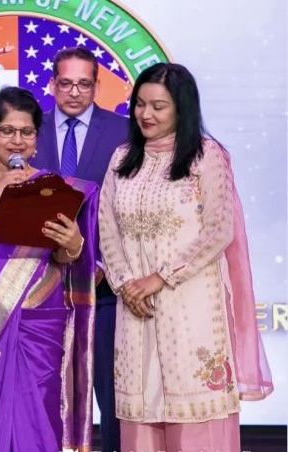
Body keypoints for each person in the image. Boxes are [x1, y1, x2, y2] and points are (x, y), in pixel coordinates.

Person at [98, 62, 273, 451]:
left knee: (194, 421)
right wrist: (126, 284)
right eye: (140, 104)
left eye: (158, 106)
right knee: (140, 417)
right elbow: (106, 228)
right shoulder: (122, 158)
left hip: (190, 309)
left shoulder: (206, 157)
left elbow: (218, 230)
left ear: (182, 108)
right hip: (135, 312)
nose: (146, 114)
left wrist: (159, 278)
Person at [0, 86, 98, 451]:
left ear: (37, 139)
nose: (17, 141)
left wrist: (73, 244)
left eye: (27, 132)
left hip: (38, 323)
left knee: (36, 415)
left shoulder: (54, 188)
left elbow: (64, 258)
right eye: (7, 131)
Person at [33, 46, 128, 452]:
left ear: (96, 86)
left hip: (104, 286)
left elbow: (132, 209)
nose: (74, 92)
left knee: (110, 390)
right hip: (39, 285)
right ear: (52, 83)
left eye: (84, 84)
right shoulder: (28, 128)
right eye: (66, 83)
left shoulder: (124, 132)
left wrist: (105, 263)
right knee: (42, 391)